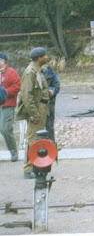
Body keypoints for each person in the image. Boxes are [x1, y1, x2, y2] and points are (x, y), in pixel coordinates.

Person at [16, 47, 50, 178]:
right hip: (36, 109)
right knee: (32, 139)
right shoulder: (30, 72)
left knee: (37, 138)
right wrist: (34, 113)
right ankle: (28, 169)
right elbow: (26, 96)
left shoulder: (37, 71)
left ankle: (34, 165)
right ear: (39, 58)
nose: (46, 57)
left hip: (41, 108)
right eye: (44, 56)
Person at [0, 52, 21, 162]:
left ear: (2, 61)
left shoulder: (11, 72)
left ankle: (13, 152)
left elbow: (17, 86)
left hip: (7, 105)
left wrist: (4, 93)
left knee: (5, 129)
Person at [43, 63, 61, 143]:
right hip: (37, 104)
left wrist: (52, 91)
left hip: (49, 103)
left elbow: (57, 85)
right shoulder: (33, 72)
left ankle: (51, 147)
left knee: (49, 126)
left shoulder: (51, 72)